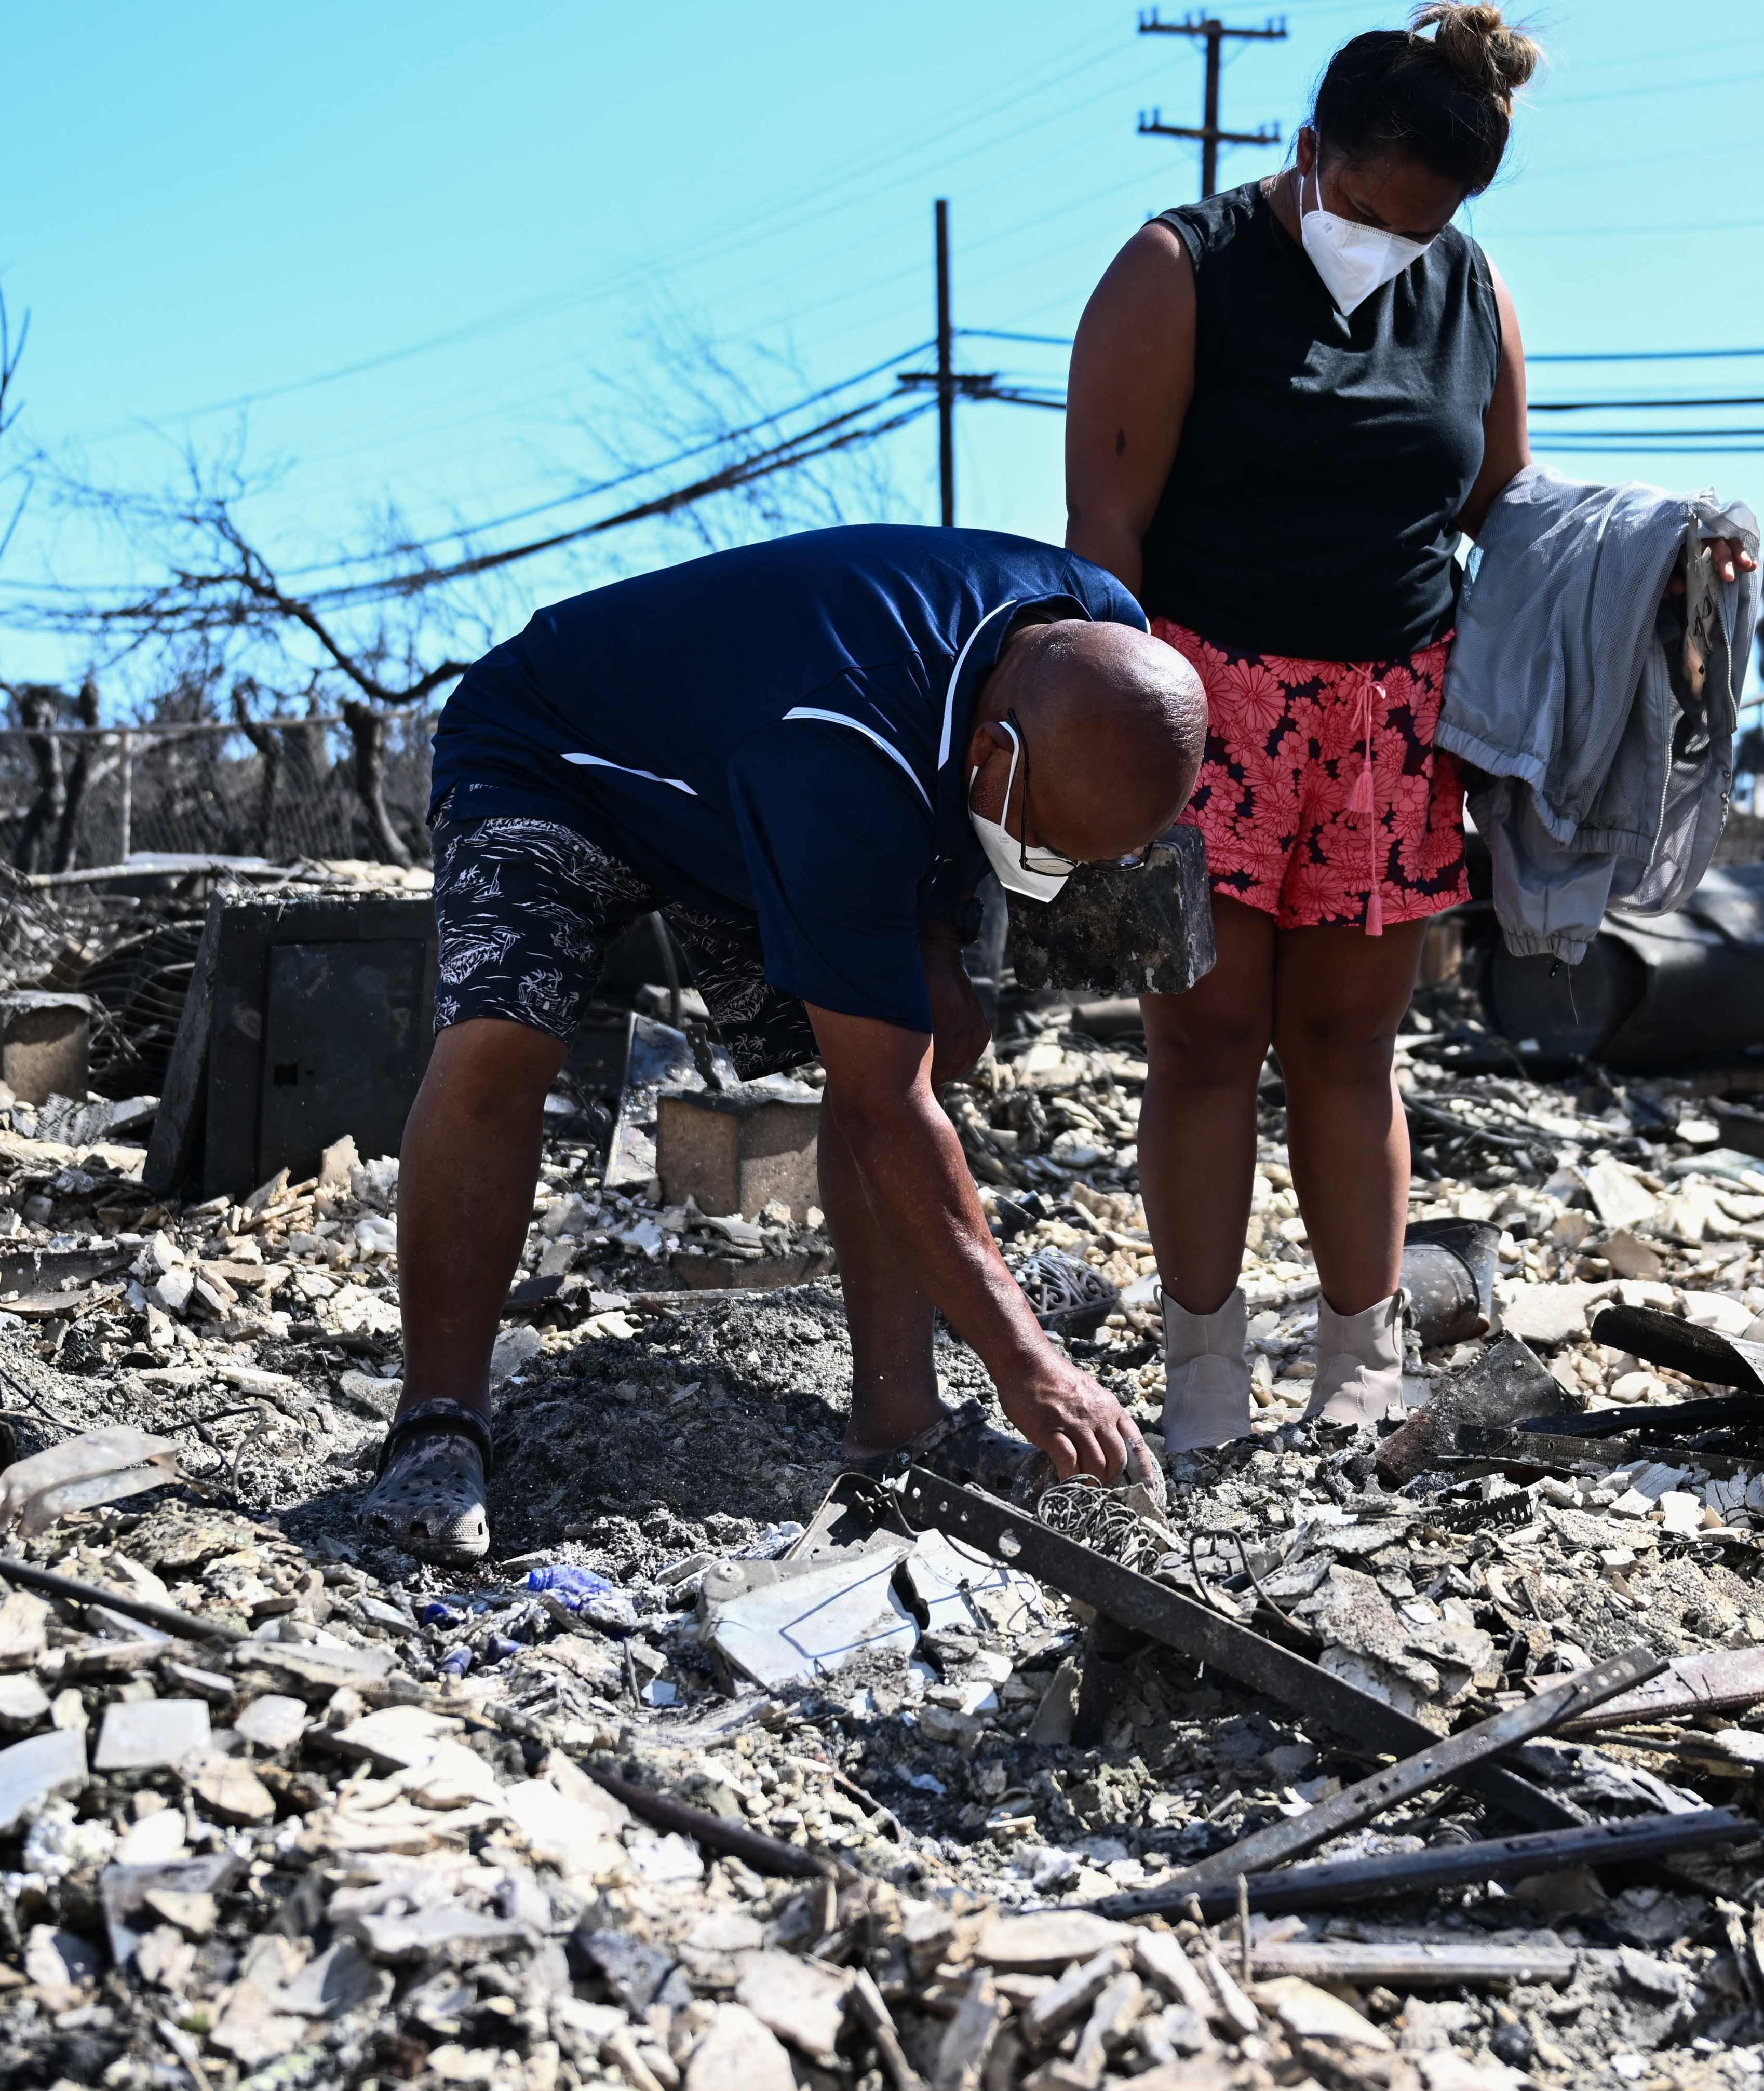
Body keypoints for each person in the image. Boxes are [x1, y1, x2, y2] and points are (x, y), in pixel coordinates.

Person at [363, 525, 1207, 1559]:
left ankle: (902, 1424)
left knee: (927, 1035)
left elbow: (943, 822)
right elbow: (881, 1103)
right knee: (505, 1038)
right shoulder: (841, 753)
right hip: (556, 752)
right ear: (998, 753)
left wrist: (953, 934)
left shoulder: (1103, 643)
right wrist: (1030, 1359)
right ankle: (437, 1422)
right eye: (1043, 850)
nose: (1047, 874)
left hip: (757, 770)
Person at [1057, 0, 1542, 1451]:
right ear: (1310, 147)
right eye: (1374, 211)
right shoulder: (1177, 269)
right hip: (1202, 704)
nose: (1393, 246)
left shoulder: (1474, 293)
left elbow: (1508, 516)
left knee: (1350, 1044)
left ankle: (1357, 1365)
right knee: (1205, 1038)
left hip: (1391, 721)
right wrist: (1116, 755)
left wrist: (1677, 549)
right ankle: (1204, 1374)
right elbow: (1104, 530)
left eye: (1425, 226)